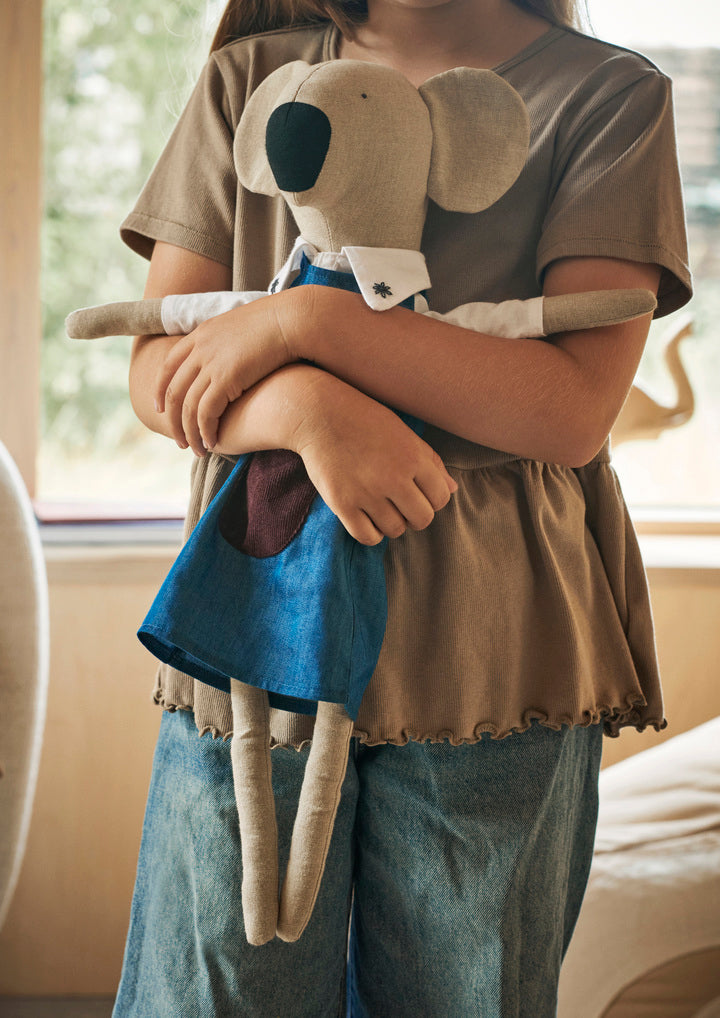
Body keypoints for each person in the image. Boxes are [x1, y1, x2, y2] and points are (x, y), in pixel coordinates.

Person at [112, 0, 691, 1014]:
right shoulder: (248, 78)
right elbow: (161, 373)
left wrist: (310, 320)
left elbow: (571, 411)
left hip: (497, 654)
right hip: (255, 632)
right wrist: (308, 412)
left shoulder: (611, 97)